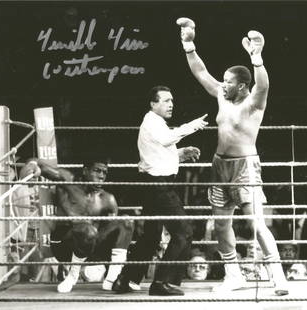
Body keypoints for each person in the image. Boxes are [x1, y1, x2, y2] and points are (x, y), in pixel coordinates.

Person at [176, 17, 288, 295]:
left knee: (255, 223)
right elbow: (201, 73)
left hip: (245, 167)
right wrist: (188, 44)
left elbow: (263, 86)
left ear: (241, 85)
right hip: (219, 166)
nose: (222, 84)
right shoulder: (222, 97)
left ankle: (278, 276)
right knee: (221, 224)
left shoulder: (253, 103)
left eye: (227, 81)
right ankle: (233, 275)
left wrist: (257, 59)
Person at [112, 85, 208, 296]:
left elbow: (159, 153)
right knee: (183, 232)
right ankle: (161, 282)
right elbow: (165, 140)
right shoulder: (152, 122)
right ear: (153, 104)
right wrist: (192, 126)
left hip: (153, 184)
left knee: (151, 236)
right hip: (159, 186)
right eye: (165, 100)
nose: (171, 104)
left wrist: (181, 153)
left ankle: (124, 280)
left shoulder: (156, 124)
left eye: (172, 100)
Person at [20, 158, 134, 293]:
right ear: (85, 171)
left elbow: (112, 238)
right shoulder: (69, 182)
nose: (101, 176)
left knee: (126, 221)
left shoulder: (107, 199)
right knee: (86, 229)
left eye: (104, 172)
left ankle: (112, 278)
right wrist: (32, 166)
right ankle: (72, 276)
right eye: (97, 171)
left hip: (89, 245)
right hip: (64, 245)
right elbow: (40, 165)